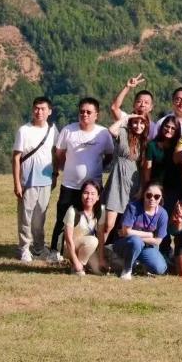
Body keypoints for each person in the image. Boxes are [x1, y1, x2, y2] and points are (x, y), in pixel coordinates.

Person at [50, 97, 114, 258]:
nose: (84, 114)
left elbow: (109, 155)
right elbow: (59, 154)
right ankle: (55, 251)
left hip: (94, 188)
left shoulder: (103, 133)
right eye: (82, 111)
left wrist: (95, 169)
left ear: (96, 115)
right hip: (70, 185)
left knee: (95, 220)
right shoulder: (68, 130)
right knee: (62, 218)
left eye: (88, 112)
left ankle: (92, 251)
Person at [98, 113, 148, 269]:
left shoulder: (145, 142)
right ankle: (99, 257)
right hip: (117, 182)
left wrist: (142, 188)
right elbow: (111, 130)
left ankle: (123, 259)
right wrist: (127, 118)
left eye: (142, 123)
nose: (138, 126)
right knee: (108, 225)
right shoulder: (124, 132)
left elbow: (144, 168)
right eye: (135, 122)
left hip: (133, 184)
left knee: (127, 226)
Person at [11, 96, 56, 262]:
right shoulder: (24, 130)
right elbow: (16, 158)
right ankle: (24, 248)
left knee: (40, 217)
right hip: (27, 181)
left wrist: (55, 174)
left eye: (43, 109)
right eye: (36, 108)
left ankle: (38, 247)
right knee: (25, 216)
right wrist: (17, 183)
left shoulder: (52, 130)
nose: (39, 112)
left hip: (45, 181)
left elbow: (55, 153)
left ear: (49, 111)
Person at [115, 182, 169, 280]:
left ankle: (137, 264)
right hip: (126, 244)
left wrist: (133, 234)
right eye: (149, 195)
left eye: (157, 196)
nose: (152, 199)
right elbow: (126, 232)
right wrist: (149, 234)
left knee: (160, 269)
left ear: (161, 198)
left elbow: (158, 241)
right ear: (143, 195)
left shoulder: (163, 214)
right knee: (135, 241)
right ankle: (127, 270)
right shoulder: (133, 207)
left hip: (147, 247)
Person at [63, 181, 105, 276]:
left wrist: (101, 258)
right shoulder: (72, 211)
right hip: (69, 247)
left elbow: (101, 235)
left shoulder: (101, 211)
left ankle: (81, 265)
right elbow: (68, 239)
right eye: (86, 193)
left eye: (93, 194)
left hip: (87, 246)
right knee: (93, 241)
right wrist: (76, 262)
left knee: (98, 271)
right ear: (81, 194)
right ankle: (76, 267)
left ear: (98, 197)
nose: (89, 197)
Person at [144, 117, 182, 204]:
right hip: (156, 187)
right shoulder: (152, 145)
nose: (169, 130)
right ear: (162, 127)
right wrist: (146, 187)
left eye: (173, 128)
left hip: (173, 188)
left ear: (177, 131)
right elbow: (148, 168)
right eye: (167, 126)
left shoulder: (179, 147)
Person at [109, 73, 157, 138]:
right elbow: (114, 108)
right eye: (139, 102)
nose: (142, 105)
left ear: (151, 107)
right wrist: (127, 87)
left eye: (146, 103)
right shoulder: (126, 119)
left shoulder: (154, 128)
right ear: (134, 104)